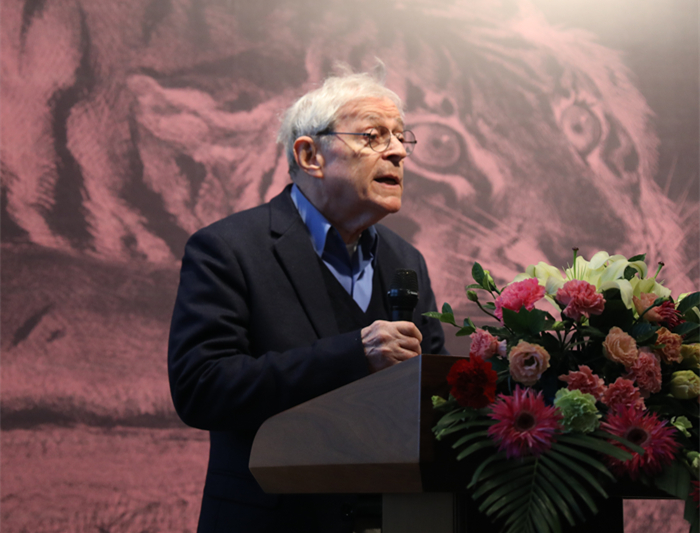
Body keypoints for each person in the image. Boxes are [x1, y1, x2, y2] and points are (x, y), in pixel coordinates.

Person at [168, 64, 446, 533]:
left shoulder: (407, 259)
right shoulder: (228, 249)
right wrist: (353, 353)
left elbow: (432, 396)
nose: (398, 152)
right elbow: (202, 388)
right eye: (374, 136)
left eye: (401, 137)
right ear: (310, 154)